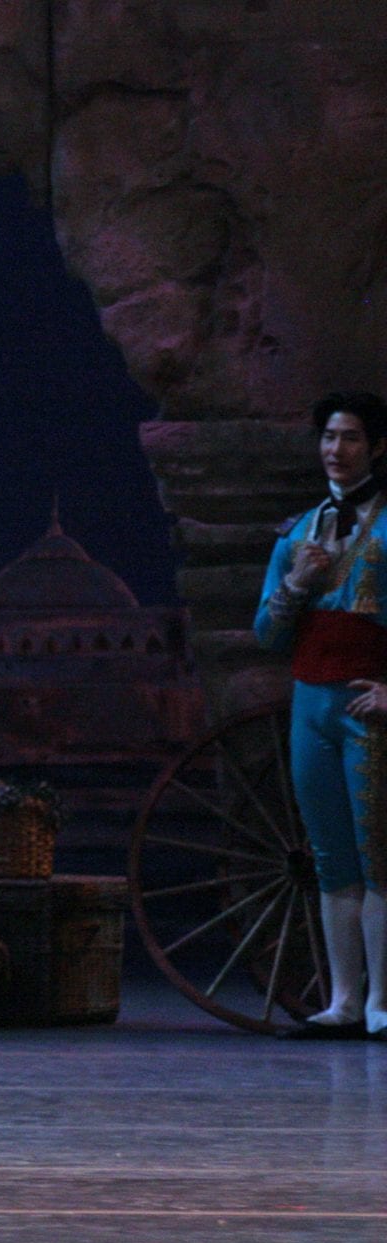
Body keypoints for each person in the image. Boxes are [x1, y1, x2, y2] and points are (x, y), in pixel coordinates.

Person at [255, 389, 387, 1039]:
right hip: (311, 704)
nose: (337, 449)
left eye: (351, 437)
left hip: (371, 709)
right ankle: (343, 1000)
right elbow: (267, 633)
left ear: (377, 447)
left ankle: (382, 1001)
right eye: (329, 437)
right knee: (331, 857)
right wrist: (297, 583)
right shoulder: (299, 531)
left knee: (378, 854)